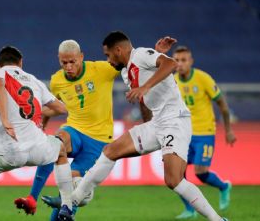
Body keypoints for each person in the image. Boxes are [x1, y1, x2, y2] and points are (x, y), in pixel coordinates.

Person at [71, 31, 228, 221]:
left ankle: (218, 220)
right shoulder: (125, 71)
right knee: (110, 151)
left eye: (108, 55)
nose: (108, 60)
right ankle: (73, 200)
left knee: (173, 181)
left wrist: (146, 85)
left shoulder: (141, 54)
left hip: (175, 120)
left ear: (118, 50)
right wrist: (147, 126)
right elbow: (144, 99)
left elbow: (170, 64)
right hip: (157, 123)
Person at [14, 38, 176, 220]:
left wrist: (157, 53)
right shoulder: (56, 81)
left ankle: (64, 210)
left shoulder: (102, 69)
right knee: (52, 145)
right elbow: (54, 106)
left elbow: (131, 61)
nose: (68, 66)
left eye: (72, 62)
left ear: (81, 57)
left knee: (72, 191)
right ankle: (32, 198)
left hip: (99, 141)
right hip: (74, 130)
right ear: (59, 59)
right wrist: (40, 126)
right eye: (64, 62)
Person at [0, 46, 74, 221]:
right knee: (61, 150)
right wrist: (38, 113)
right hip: (38, 148)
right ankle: (67, 206)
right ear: (21, 63)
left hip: (8, 150)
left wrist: (6, 120)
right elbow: (61, 108)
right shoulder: (34, 80)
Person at [173, 46, 236, 219]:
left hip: (204, 132)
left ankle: (224, 187)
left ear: (191, 61)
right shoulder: (172, 81)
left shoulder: (203, 78)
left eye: (184, 60)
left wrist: (228, 130)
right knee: (177, 175)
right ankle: (189, 209)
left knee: (200, 173)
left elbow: (222, 104)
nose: (180, 64)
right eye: (176, 60)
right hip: (183, 133)